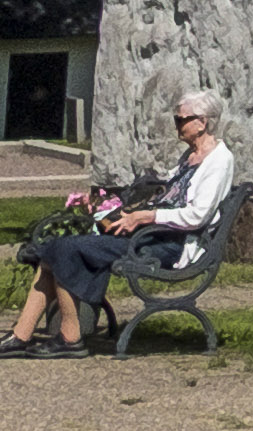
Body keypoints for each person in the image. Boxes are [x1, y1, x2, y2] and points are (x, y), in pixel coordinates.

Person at [9, 91, 234, 354]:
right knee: (52, 250)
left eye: (181, 120)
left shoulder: (219, 160)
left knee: (63, 249)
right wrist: (128, 213)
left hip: (171, 245)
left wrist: (146, 216)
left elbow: (198, 216)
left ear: (203, 122)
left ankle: (70, 338)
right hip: (151, 234)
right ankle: (19, 336)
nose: (176, 126)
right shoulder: (190, 157)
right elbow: (170, 199)